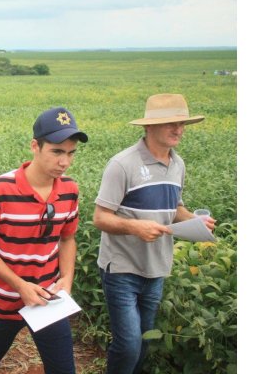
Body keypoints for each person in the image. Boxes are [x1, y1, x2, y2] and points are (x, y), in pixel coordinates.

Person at [92, 94, 215, 374]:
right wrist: (135, 226)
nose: (179, 130)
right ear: (148, 127)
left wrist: (197, 221)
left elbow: (174, 209)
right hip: (122, 267)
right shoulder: (123, 164)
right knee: (129, 343)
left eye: (181, 123)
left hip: (157, 267)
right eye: (170, 123)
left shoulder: (177, 164)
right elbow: (100, 217)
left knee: (145, 339)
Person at [0, 107, 89, 374]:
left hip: (48, 297)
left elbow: (68, 239)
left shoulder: (69, 190)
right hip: (4, 298)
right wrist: (19, 285)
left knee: (63, 369)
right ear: (35, 146)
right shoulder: (1, 189)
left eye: (71, 153)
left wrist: (67, 278)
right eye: (57, 151)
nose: (64, 162)